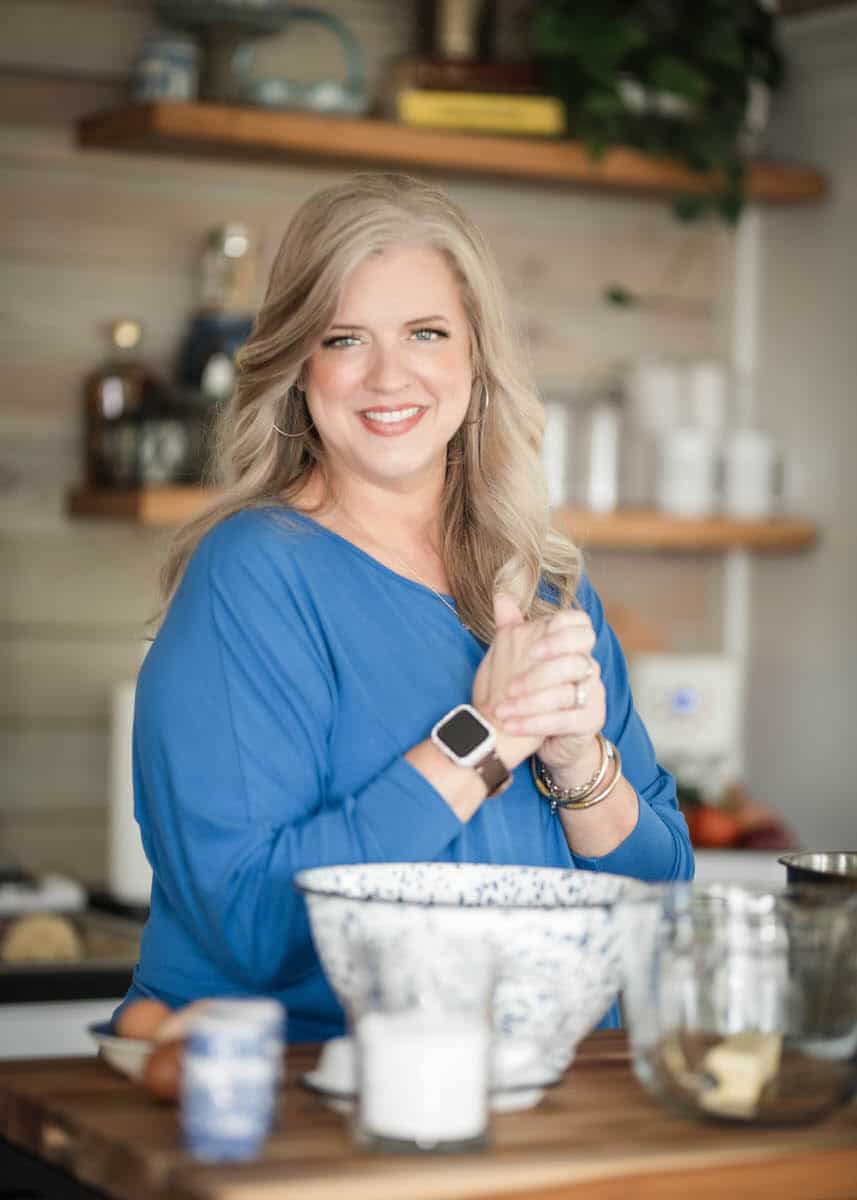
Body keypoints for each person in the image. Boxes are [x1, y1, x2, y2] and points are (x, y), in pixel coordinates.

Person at [115, 173, 693, 1043]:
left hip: (548, 1094)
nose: (390, 376)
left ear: (475, 359)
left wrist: (576, 764)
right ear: (299, 368)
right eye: (345, 338)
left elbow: (660, 892)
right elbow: (250, 923)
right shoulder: (254, 574)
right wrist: (486, 736)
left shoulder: (543, 581)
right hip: (306, 1103)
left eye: (426, 332)